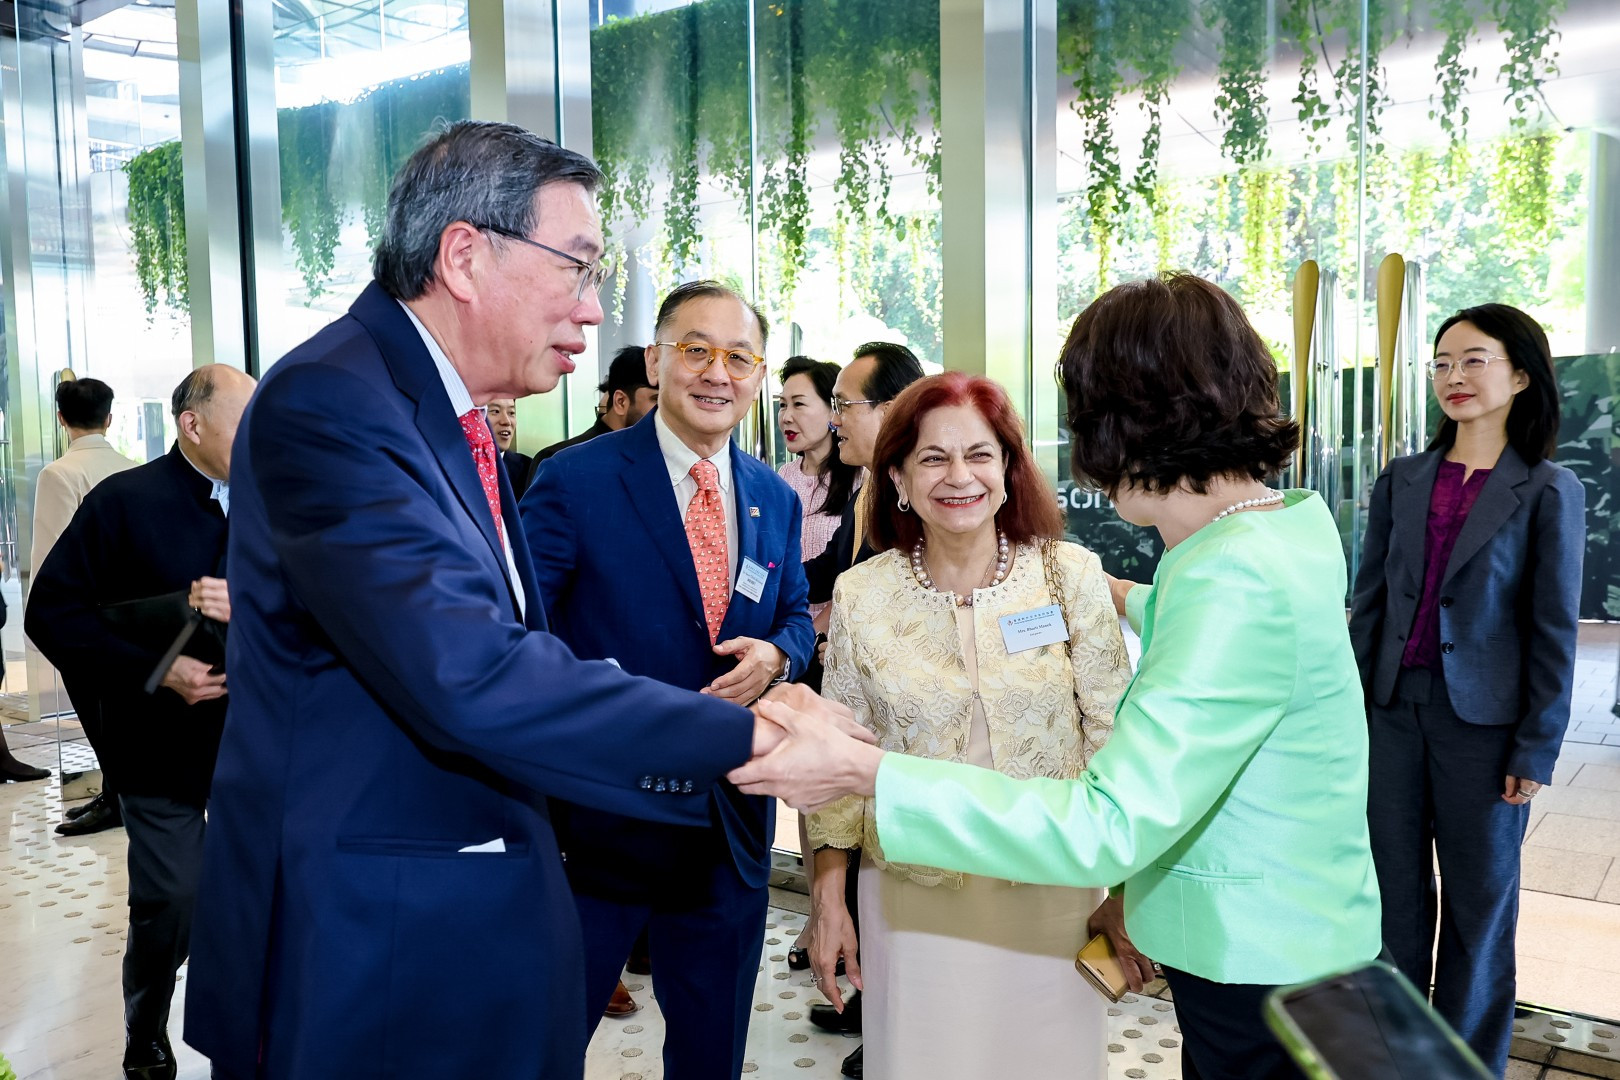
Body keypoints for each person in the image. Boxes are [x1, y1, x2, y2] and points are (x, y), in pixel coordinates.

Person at [180, 121, 857, 1080]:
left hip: (455, 917)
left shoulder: (444, 418)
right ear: (465, 256)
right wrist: (754, 740)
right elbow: (473, 670)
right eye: (577, 267)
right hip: (369, 947)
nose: (593, 308)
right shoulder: (332, 405)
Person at [734, 273, 1384, 1080]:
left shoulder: (1225, 577)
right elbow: (1221, 634)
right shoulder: (1279, 531)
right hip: (1290, 941)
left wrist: (870, 772)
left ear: (1125, 419)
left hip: (1261, 963)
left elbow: (1106, 823)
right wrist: (1125, 595)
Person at [521, 280, 815, 1080]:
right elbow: (524, 635)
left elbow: (794, 615)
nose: (718, 372)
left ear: (758, 376)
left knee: (711, 1052)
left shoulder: (772, 496)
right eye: (696, 350)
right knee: (545, 1044)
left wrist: (777, 657)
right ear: (655, 361)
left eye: (739, 357)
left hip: (728, 820)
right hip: (600, 822)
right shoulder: (575, 479)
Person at [803, 371, 1133, 1078]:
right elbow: (838, 767)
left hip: (1051, 890)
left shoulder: (1070, 576)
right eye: (933, 458)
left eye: (980, 454)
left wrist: (1129, 895)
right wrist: (828, 900)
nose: (959, 476)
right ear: (898, 477)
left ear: (1009, 468)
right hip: (913, 899)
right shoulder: (862, 594)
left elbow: (1119, 743)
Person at [1348, 303, 1584, 1076]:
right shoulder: (1402, 479)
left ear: (1521, 377)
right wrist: (1348, 713)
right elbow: (1369, 605)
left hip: (1485, 729)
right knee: (1390, 899)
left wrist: (1535, 747)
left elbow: (1553, 629)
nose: (1454, 376)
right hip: (1390, 714)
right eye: (1443, 362)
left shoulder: (1547, 490)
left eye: (1474, 360)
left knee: (1480, 906)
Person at [26, 364, 255, 1080]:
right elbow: (51, 614)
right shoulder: (124, 502)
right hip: (160, 744)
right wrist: (160, 669)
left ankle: (256, 1028)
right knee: (172, 897)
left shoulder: (277, 503)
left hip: (259, 744)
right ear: (193, 424)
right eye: (244, 421)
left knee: (266, 893)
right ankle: (147, 1027)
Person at [797, 341, 925, 1077]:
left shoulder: (920, 497)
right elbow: (830, 570)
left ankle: (888, 1026)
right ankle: (866, 1003)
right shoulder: (867, 487)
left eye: (844, 404)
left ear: (892, 408)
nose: (834, 418)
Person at [27, 377, 141, 820]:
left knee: (97, 716)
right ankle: (118, 796)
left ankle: (116, 800)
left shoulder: (59, 473)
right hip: (133, 613)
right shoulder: (134, 468)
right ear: (110, 418)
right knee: (123, 713)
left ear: (61, 419)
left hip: (85, 616)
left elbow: (50, 555)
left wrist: (44, 623)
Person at [530, 344, 658, 468]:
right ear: (620, 401)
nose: (663, 409)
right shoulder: (558, 461)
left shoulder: (655, 459)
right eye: (656, 399)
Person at [485, 397, 534, 499]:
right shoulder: (460, 467)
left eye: (511, 413)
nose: (506, 421)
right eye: (496, 411)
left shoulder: (530, 469)